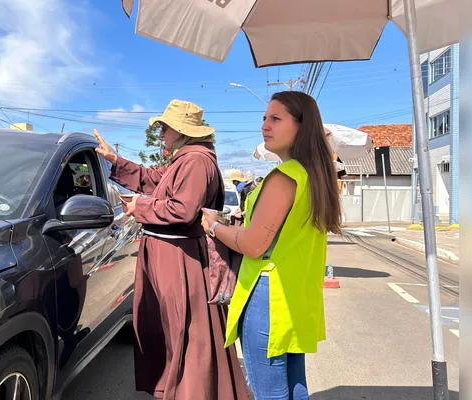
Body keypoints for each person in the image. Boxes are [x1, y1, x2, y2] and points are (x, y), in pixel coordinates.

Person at [94, 99, 248, 400]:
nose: (161, 132)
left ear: (180, 130)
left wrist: (140, 206)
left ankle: (191, 393)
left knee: (184, 331)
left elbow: (183, 210)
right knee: (179, 329)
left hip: (178, 258)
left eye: (165, 127)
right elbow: (153, 179)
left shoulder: (196, 161)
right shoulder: (186, 159)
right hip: (170, 254)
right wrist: (115, 160)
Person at [201, 91, 342, 399]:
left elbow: (253, 244)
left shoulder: (283, 177)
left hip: (269, 295)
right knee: (294, 385)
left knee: (269, 391)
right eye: (264, 118)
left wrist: (213, 226)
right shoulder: (315, 175)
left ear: (301, 127)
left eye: (276, 118)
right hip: (296, 292)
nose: (265, 125)